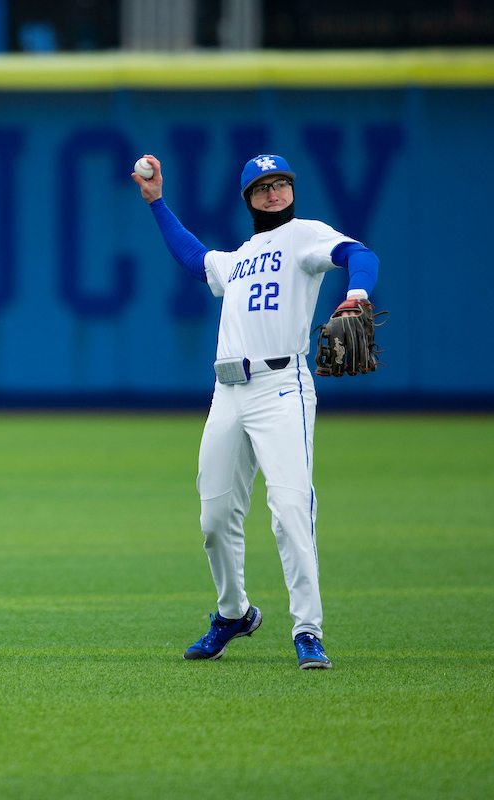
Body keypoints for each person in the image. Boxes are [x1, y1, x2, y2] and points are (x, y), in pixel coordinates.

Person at [131, 153, 379, 670]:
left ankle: (307, 630)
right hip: (228, 393)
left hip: (281, 387)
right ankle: (234, 613)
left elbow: (360, 254)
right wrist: (157, 204)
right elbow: (194, 259)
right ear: (248, 198)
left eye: (282, 184)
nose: (274, 193)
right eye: (263, 187)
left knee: (290, 511)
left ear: (292, 190)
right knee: (214, 518)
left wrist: (356, 294)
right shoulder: (240, 257)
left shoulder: (306, 236)